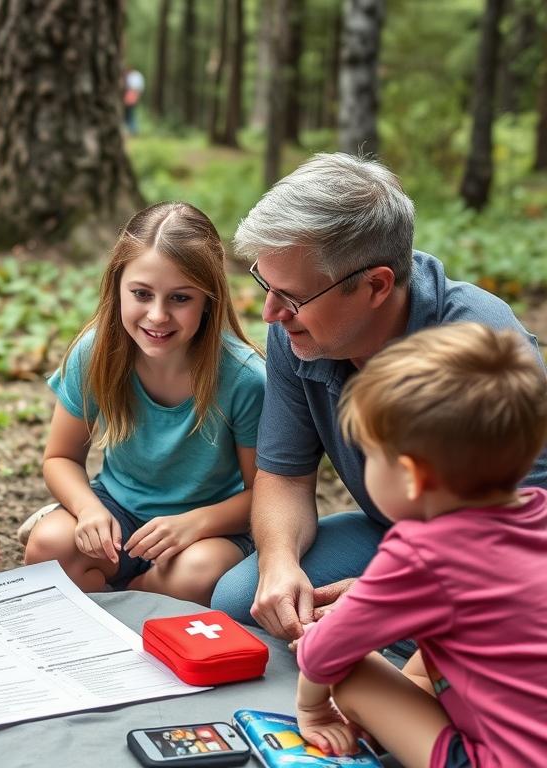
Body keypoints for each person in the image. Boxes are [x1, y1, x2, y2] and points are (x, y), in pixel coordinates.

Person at [210, 152, 547, 641]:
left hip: (496, 566)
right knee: (242, 600)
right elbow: (284, 475)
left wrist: (403, 594)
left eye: (292, 297)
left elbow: (531, 522)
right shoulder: (299, 333)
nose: (269, 313)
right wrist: (280, 564)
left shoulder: (483, 344)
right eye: (264, 284)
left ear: (375, 285)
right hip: (395, 535)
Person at [294, 323, 547, 768]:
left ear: (411, 475)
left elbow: (326, 651)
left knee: (350, 669)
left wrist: (313, 708)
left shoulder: (423, 553)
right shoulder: (537, 511)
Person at [23, 202, 265, 604]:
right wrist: (87, 510)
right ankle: (136, 601)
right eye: (141, 294)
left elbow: (266, 495)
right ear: (117, 286)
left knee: (198, 574)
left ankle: (129, 598)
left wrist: (195, 523)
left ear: (209, 298)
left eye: (180, 298)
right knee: (49, 546)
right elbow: (60, 458)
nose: (157, 315)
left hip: (207, 529)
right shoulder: (96, 353)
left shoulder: (245, 379)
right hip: (119, 510)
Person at [123, 67, 146, 134]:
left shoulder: (133, 76)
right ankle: (132, 130)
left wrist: (129, 98)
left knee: (130, 115)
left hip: (130, 99)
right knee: (130, 115)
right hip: (132, 98)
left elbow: (134, 90)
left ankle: (133, 130)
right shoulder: (136, 76)